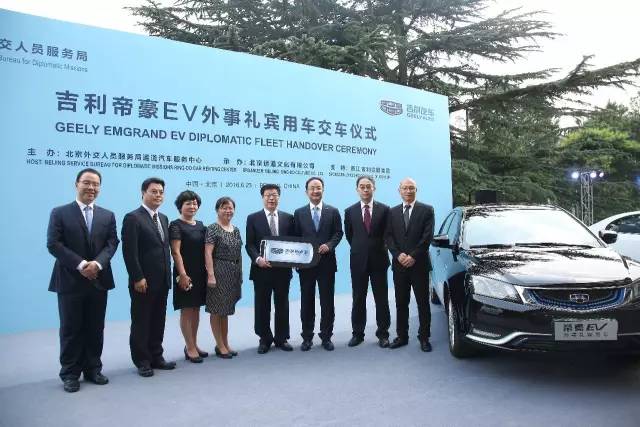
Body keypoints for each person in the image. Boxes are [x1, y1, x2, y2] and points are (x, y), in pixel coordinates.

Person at [47, 168, 119, 393]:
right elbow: (54, 244)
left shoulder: (107, 215)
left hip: (98, 279)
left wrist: (96, 264)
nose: (91, 188)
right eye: (87, 182)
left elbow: (112, 243)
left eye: (95, 184)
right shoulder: (60, 213)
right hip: (70, 280)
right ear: (76, 184)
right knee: (71, 328)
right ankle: (70, 373)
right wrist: (81, 265)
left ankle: (93, 369)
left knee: (95, 327)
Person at [122, 177, 176, 377]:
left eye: (161, 192)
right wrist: (137, 277)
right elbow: (130, 252)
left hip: (162, 280)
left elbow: (163, 249)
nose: (158, 195)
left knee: (158, 320)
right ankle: (142, 360)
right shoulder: (133, 218)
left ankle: (156, 356)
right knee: (141, 321)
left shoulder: (164, 218)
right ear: (143, 193)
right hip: (143, 281)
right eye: (154, 191)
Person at [294, 177, 343, 351]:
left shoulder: (333, 211)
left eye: (318, 188)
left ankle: (326, 336)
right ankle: (307, 337)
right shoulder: (299, 213)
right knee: (307, 301)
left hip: (326, 264)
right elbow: (296, 238)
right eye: (312, 188)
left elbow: (338, 233)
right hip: (306, 265)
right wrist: (297, 259)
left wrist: (329, 245)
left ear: (323, 190)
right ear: (306, 191)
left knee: (327, 302)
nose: (315, 191)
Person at [385, 177, 435, 352]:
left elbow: (427, 237)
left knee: (423, 303)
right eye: (405, 188)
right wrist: (398, 254)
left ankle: (424, 337)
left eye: (411, 188)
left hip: (419, 265)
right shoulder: (392, 212)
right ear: (399, 191)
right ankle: (402, 336)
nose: (408, 191)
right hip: (399, 265)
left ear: (416, 190)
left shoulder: (427, 210)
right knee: (401, 302)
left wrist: (413, 256)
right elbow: (388, 237)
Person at [245, 184, 295, 354]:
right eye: (268, 195)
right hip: (261, 270)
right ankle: (264, 339)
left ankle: (282, 338)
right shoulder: (253, 218)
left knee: (282, 305)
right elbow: (249, 244)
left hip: (283, 271)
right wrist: (257, 259)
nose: (271, 198)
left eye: (274, 195)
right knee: (262, 306)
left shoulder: (288, 218)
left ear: (279, 197)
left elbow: (294, 243)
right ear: (263, 197)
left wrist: (295, 259)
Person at [344, 175, 391, 348]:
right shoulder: (349, 211)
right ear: (357, 189)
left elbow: (388, 234)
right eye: (362, 186)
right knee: (358, 298)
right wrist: (362, 249)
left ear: (374, 188)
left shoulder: (384, 210)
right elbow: (350, 235)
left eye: (368, 186)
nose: (365, 189)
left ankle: (383, 334)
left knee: (381, 299)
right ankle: (357, 334)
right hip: (358, 261)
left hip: (379, 260)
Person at [169, 190, 208, 363]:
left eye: (194, 203)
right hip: (184, 273)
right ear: (180, 206)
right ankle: (189, 347)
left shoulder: (201, 225)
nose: (192, 206)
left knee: (196, 309)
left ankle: (194, 344)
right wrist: (183, 274)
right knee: (186, 309)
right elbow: (176, 252)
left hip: (200, 273)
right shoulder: (175, 225)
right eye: (188, 203)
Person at [204, 197, 242, 359]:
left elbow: (239, 254)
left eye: (230, 208)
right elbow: (208, 253)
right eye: (224, 207)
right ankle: (219, 345)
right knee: (216, 310)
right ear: (217, 210)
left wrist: (239, 275)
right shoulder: (213, 229)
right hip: (218, 272)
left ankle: (225, 343)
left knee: (225, 311)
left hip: (232, 274)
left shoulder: (236, 230)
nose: (228, 211)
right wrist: (211, 275)